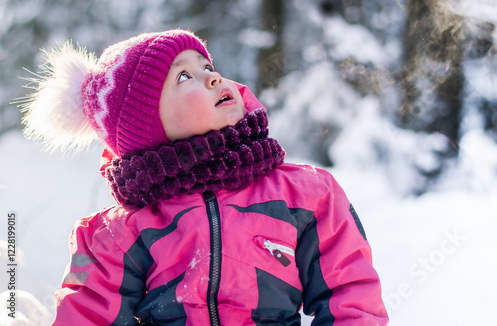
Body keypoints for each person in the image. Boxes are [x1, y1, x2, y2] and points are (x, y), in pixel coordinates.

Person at [21, 29, 389, 325]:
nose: (212, 77)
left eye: (208, 65)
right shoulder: (115, 236)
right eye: (184, 76)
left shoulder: (307, 196)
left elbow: (351, 296)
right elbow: (87, 315)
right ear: (148, 127)